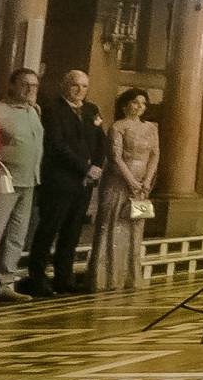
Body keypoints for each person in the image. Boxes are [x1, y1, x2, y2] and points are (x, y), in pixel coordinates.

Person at [28, 70, 106, 297]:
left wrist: (98, 167)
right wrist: (85, 167)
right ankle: (37, 278)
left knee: (72, 232)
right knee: (49, 229)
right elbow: (57, 144)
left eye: (84, 86)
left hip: (85, 183)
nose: (80, 90)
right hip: (60, 180)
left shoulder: (91, 110)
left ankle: (64, 277)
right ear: (65, 85)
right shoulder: (53, 109)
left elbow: (101, 141)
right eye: (75, 86)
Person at [90, 88, 158, 290]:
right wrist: (132, 182)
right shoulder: (118, 127)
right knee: (113, 226)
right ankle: (107, 278)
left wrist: (146, 181)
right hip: (118, 182)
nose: (140, 107)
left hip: (143, 183)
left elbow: (155, 155)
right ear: (124, 105)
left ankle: (130, 276)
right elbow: (115, 158)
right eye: (136, 102)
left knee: (134, 228)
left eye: (143, 104)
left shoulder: (151, 128)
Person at [0, 71, 43, 302]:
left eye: (34, 85)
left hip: (29, 180)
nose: (30, 90)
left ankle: (4, 283)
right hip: (4, 179)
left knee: (17, 236)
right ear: (12, 85)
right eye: (25, 85)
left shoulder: (34, 111)